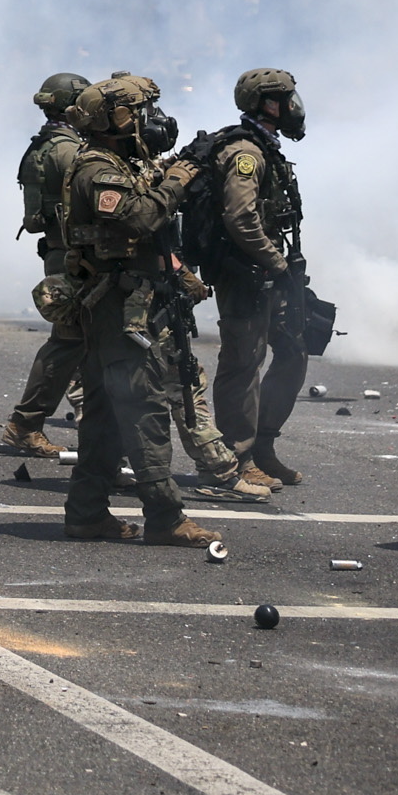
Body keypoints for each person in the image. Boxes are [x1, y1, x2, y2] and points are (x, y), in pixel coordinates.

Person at [57, 75, 217, 546]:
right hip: (117, 310)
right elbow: (141, 216)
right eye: (143, 112)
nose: (152, 121)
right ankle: (167, 517)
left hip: (129, 303)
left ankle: (86, 513)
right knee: (144, 409)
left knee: (105, 412)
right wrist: (179, 178)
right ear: (116, 120)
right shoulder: (97, 170)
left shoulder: (124, 163)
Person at [206, 68, 314, 488]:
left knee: (293, 351)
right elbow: (239, 217)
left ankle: (263, 445)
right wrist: (277, 263)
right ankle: (235, 457)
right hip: (245, 272)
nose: (293, 107)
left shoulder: (266, 147)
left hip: (268, 270)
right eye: (285, 99)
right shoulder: (245, 153)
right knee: (243, 363)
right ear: (269, 104)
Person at [1, 73, 88, 457]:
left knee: (77, 342)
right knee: (68, 343)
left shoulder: (45, 145)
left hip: (58, 252)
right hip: (72, 257)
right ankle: (26, 423)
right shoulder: (69, 152)